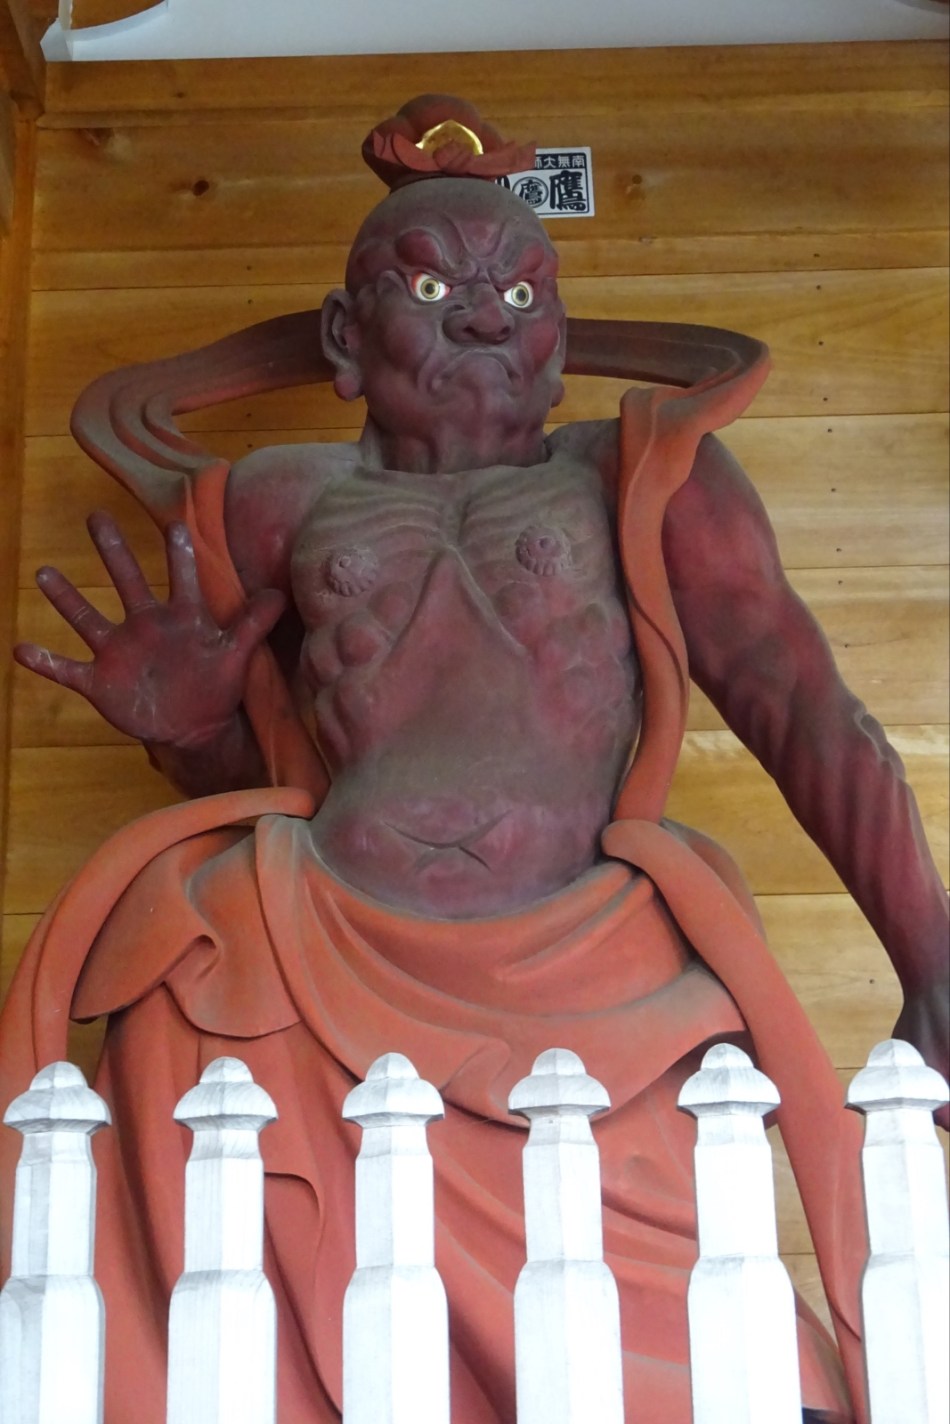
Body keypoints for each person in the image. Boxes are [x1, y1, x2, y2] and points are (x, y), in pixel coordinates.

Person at [2, 96, 947, 1424]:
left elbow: (805, 707)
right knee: (182, 993)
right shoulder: (272, 501)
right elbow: (262, 771)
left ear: (559, 341)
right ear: (345, 337)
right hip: (313, 941)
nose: (488, 318)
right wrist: (189, 729)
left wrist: (931, 962)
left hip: (592, 966)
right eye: (436, 286)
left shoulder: (642, 478)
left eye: (521, 290)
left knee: (686, 1339)